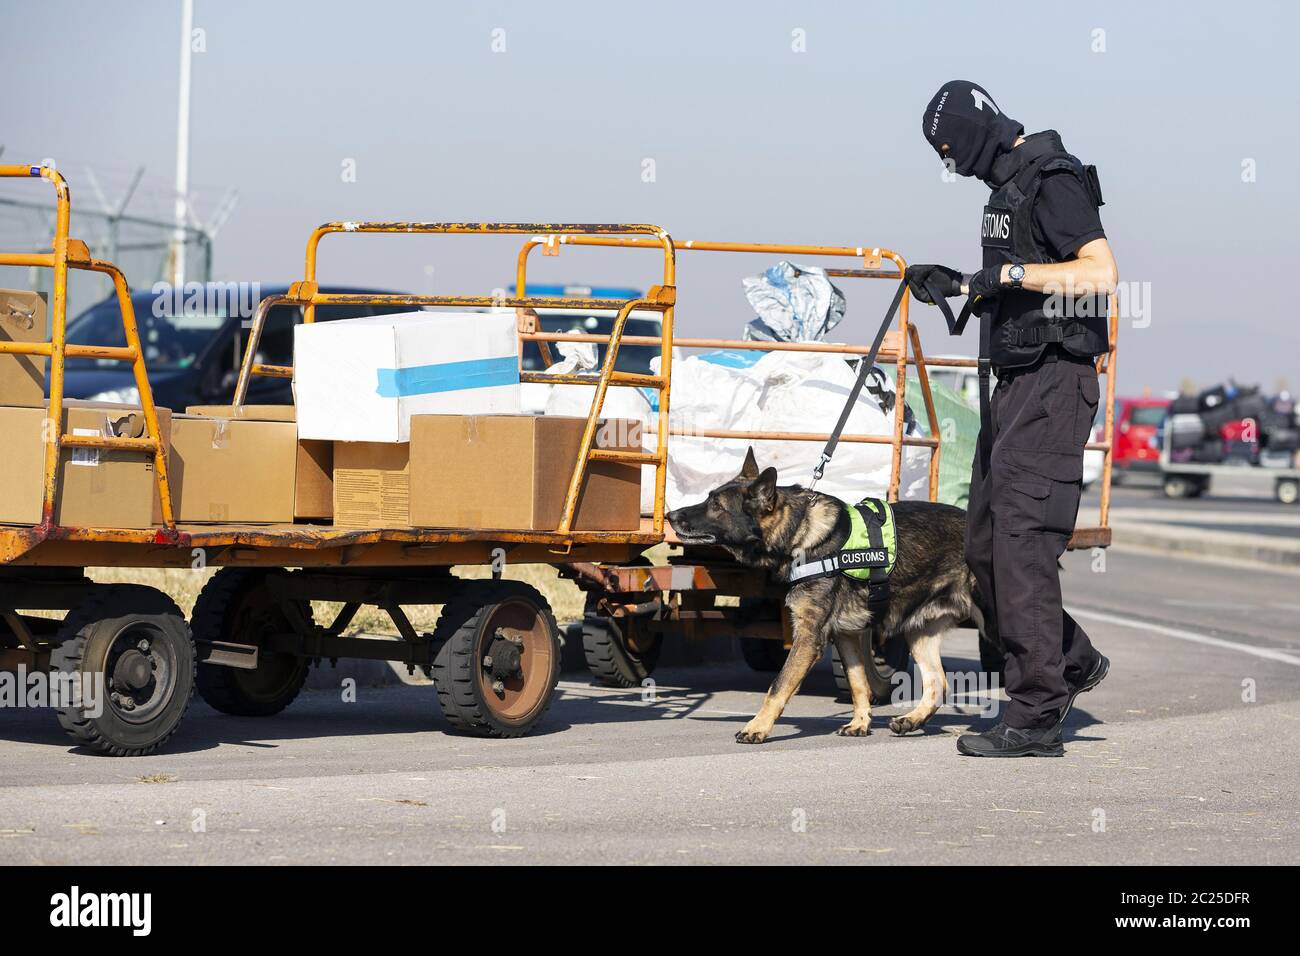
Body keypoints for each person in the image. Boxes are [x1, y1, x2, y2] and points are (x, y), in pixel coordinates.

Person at [906, 80, 1116, 757]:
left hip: (1056, 384)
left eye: (952, 152)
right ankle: (1071, 658)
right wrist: (963, 283)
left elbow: (1099, 273)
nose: (953, 165)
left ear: (974, 137)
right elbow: (1014, 281)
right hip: (1016, 383)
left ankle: (1035, 713)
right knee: (984, 547)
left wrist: (1014, 275)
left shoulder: (1053, 177)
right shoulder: (1008, 190)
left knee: (1023, 543)